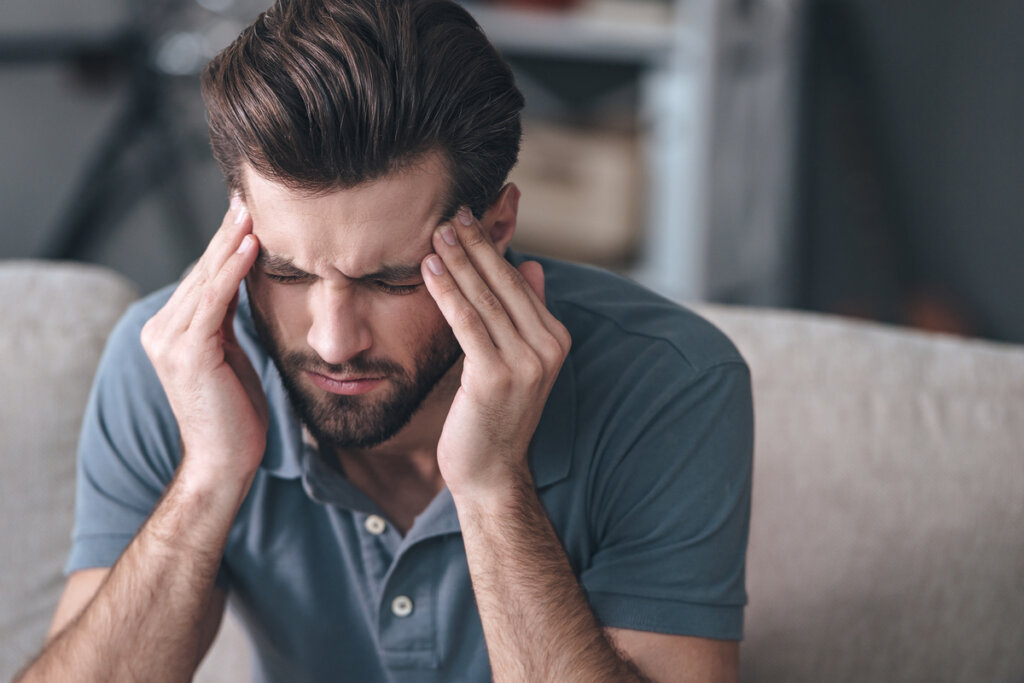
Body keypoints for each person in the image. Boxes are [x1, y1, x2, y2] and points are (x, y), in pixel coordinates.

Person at [18, 0, 753, 680]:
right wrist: (208, 478)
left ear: (495, 231)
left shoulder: (672, 383)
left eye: (392, 280)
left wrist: (495, 488)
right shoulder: (176, 365)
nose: (333, 341)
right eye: (286, 271)